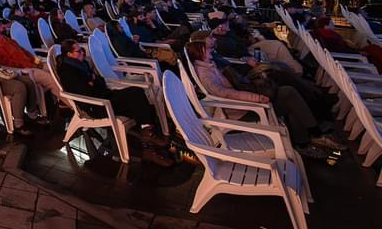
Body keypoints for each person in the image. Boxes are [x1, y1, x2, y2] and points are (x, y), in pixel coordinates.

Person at [185, 40, 343, 158]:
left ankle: (306, 140)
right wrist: (257, 98)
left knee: (288, 93)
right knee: (288, 94)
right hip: (242, 109)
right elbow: (226, 94)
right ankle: (312, 136)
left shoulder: (209, 66)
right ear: (199, 53)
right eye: (207, 50)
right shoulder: (206, 74)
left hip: (243, 102)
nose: (211, 51)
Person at [54, 39, 171, 166]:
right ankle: (148, 138)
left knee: (137, 95)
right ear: (69, 54)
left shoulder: (81, 64)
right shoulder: (68, 71)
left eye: (82, 50)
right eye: (78, 51)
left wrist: (94, 82)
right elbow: (86, 92)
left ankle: (147, 139)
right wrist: (93, 82)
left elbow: (99, 81)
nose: (83, 53)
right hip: (96, 105)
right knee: (136, 98)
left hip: (103, 95)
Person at [0, 18, 61, 114]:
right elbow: (8, 64)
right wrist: (31, 65)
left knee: (56, 68)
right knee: (50, 78)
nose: (3, 26)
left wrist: (35, 61)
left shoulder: (7, 39)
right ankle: (71, 103)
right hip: (23, 70)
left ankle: (64, 98)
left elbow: (24, 51)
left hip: (31, 64)